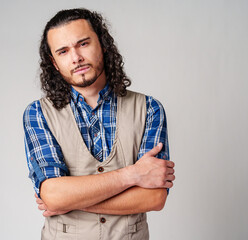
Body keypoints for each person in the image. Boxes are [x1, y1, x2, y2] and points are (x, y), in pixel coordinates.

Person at [23, 8, 175, 240]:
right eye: (63, 51)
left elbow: (153, 198)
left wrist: (70, 201)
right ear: (54, 63)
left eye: (83, 44)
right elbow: (53, 195)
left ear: (102, 44)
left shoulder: (149, 108)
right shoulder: (38, 113)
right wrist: (133, 175)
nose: (76, 58)